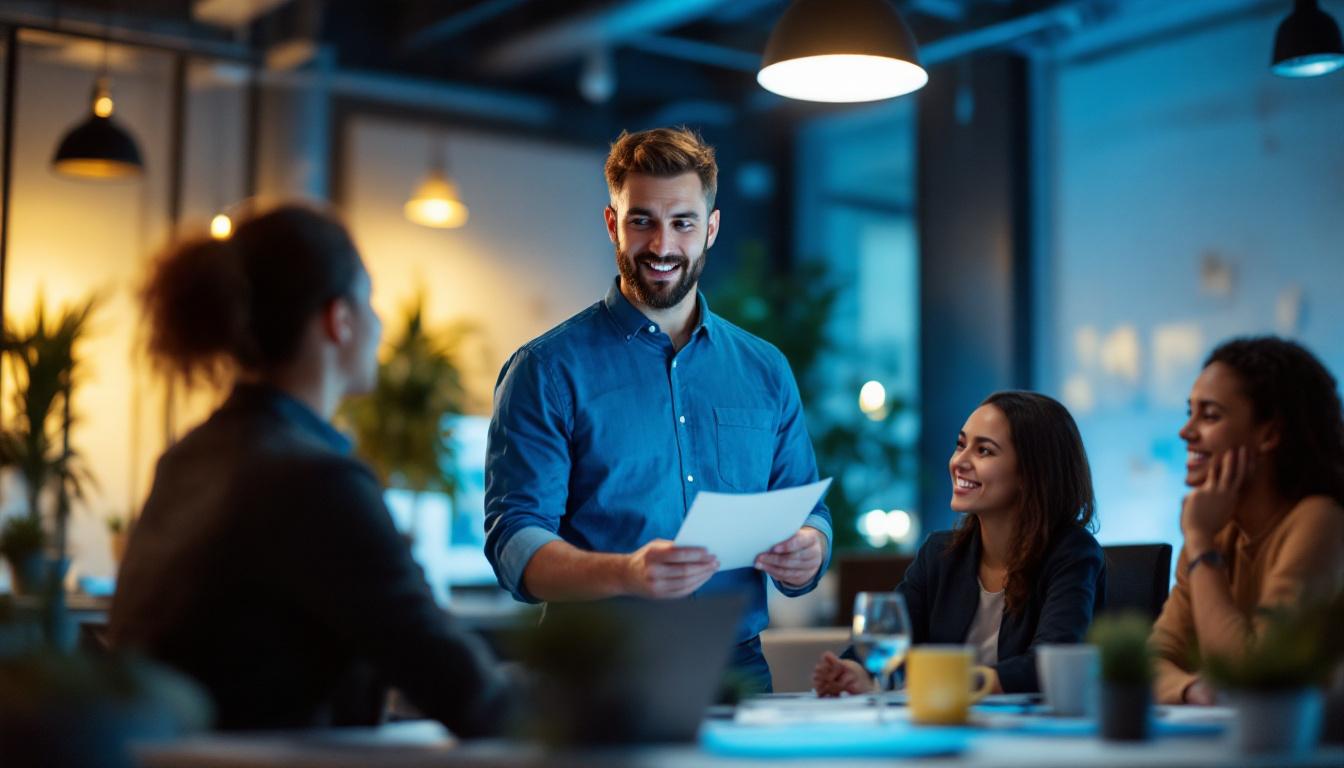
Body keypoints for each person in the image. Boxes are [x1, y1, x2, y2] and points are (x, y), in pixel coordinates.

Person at [110, 205, 513, 734]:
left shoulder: (187, 458)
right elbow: (463, 691)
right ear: (338, 320)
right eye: (369, 301)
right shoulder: (312, 481)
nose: (380, 322)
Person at [483, 127, 831, 693]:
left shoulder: (766, 370)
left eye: (683, 223)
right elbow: (515, 546)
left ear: (711, 229)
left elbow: (808, 510)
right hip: (597, 672)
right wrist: (626, 573)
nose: (662, 245)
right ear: (611, 223)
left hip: (736, 672)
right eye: (641, 219)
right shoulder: (545, 370)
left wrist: (810, 550)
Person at [813, 391, 1104, 695]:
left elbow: (1051, 664)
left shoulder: (1072, 553)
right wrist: (853, 671)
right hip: (942, 723)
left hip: (1032, 736)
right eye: (961, 445)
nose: (959, 462)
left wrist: (945, 682)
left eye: (984, 451)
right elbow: (883, 642)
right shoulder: (940, 554)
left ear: (1031, 473)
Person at [1151, 336, 1344, 705]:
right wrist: (1192, 689)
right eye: (1189, 412)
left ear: (1269, 433)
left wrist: (1200, 542)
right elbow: (1148, 662)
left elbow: (1254, 675)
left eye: (1209, 416)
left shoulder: (1320, 521)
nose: (1186, 432)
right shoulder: (1216, 529)